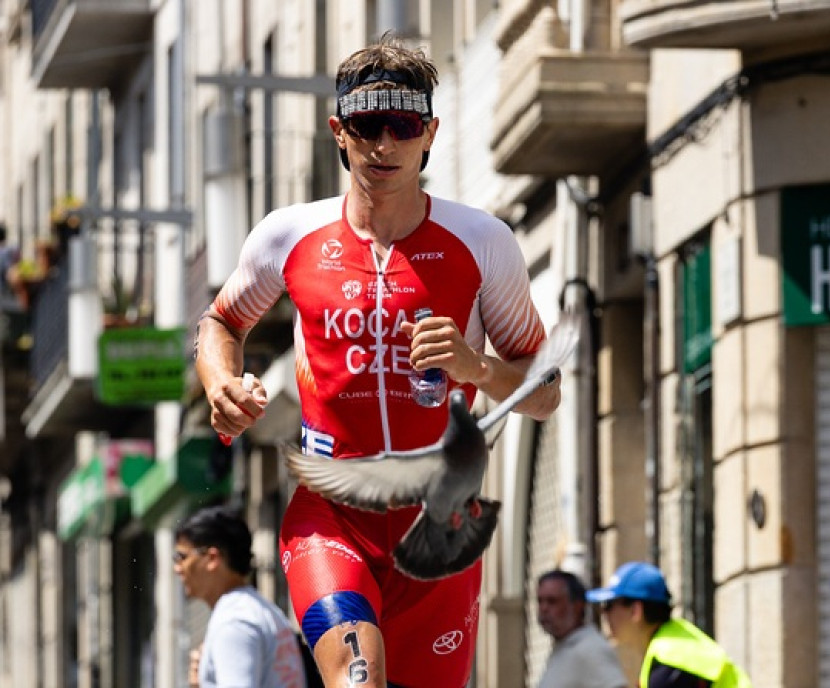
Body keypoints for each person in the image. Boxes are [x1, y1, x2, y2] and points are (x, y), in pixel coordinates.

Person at [193, 34, 561, 688]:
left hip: (439, 525)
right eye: (367, 127)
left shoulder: (483, 242)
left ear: (430, 133)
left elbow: (545, 391)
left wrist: (476, 366)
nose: (384, 145)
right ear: (339, 131)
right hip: (331, 512)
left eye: (403, 127)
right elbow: (222, 321)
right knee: (357, 679)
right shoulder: (289, 235)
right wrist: (221, 382)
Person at [173, 505, 306, 688]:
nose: (177, 568)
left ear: (212, 558)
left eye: (182, 557)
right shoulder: (258, 609)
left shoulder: (234, 622)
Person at [587, 562, 752, 688]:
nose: (604, 614)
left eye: (609, 605)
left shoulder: (668, 664)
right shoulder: (673, 641)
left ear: (635, 611)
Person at [536, 569, 627, 688]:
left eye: (552, 601)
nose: (544, 609)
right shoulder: (564, 646)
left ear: (577, 606)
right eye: (540, 601)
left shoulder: (591, 648)